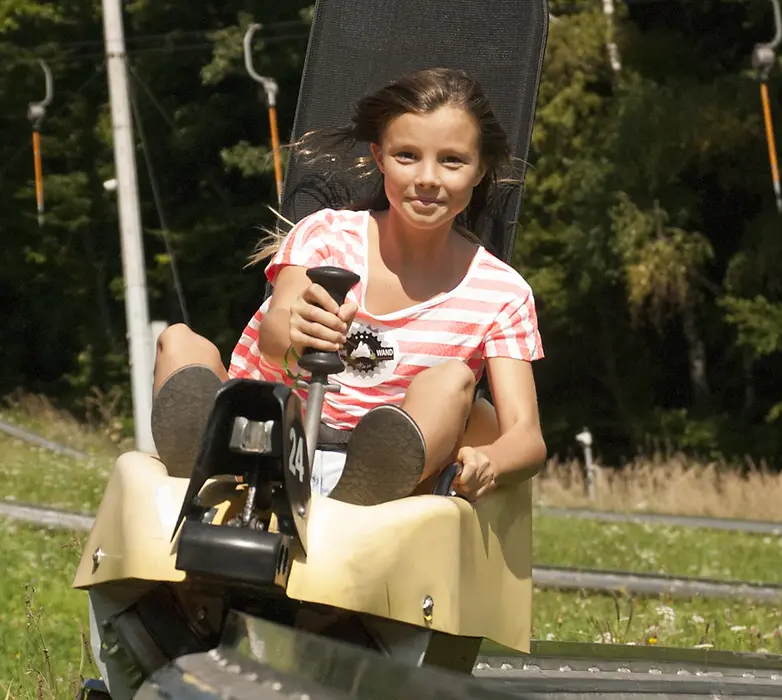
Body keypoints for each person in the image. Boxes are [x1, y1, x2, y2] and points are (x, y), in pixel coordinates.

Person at [151, 67, 545, 505]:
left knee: (453, 381)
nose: (428, 178)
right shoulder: (326, 236)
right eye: (407, 156)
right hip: (271, 431)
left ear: (479, 168)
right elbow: (274, 336)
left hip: (384, 460)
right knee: (179, 341)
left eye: (451, 160)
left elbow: (526, 436)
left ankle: (364, 497)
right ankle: (208, 467)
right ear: (380, 158)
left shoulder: (502, 293)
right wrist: (299, 330)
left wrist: (490, 461)